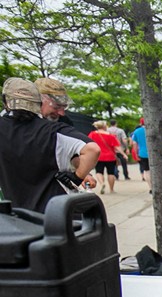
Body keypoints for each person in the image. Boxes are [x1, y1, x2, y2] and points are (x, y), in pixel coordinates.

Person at [0, 78, 99, 212]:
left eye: (63, 107)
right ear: (39, 100)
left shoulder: (61, 122)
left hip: (52, 200)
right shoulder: (10, 123)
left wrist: (81, 174)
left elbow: (74, 152)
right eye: (56, 106)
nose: (61, 112)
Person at [88, 121, 124, 194]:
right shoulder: (111, 135)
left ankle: (102, 184)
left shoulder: (92, 134)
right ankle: (111, 189)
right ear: (104, 126)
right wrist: (123, 154)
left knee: (99, 171)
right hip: (110, 157)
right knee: (111, 173)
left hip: (98, 156)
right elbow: (117, 147)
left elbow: (88, 143)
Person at [131, 118, 151, 194]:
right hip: (155, 153)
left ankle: (151, 187)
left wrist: (136, 154)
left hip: (143, 153)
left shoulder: (136, 132)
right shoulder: (153, 129)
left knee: (146, 171)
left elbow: (134, 144)